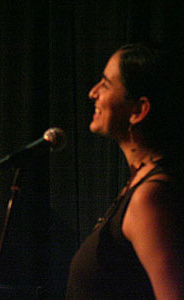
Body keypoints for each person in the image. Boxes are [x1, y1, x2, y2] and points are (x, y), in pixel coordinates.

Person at [66, 43, 184, 300]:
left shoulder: (149, 199)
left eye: (106, 85)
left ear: (139, 110)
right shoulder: (139, 185)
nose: (92, 93)